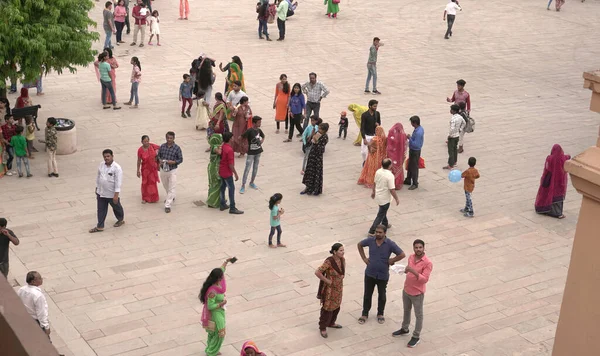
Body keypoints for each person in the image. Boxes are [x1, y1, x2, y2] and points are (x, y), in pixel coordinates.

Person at [357, 225, 405, 325]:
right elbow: (359, 245)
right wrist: (364, 258)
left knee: (382, 295)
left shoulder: (390, 244)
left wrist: (392, 260)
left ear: (385, 233)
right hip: (370, 273)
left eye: (380, 232)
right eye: (377, 232)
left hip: (382, 275)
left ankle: (380, 314)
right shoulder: (370, 240)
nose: (378, 234)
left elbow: (401, 254)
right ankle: (365, 314)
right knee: (367, 294)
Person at [392, 239, 433, 349]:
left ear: (424, 248)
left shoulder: (427, 263)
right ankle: (405, 328)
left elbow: (424, 279)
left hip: (417, 293)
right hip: (407, 289)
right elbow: (408, 270)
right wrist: (404, 270)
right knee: (406, 310)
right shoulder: (411, 257)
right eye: (416, 247)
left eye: (420, 247)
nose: (418, 249)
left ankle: (416, 336)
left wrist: (413, 271)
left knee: (418, 315)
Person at [200, 259, 234, 356]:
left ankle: (212, 348)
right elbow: (210, 306)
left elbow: (222, 269)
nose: (222, 278)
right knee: (220, 332)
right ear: (216, 278)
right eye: (220, 277)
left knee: (214, 332)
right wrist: (221, 303)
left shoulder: (219, 281)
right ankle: (211, 351)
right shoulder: (212, 291)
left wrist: (226, 261)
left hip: (221, 311)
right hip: (215, 313)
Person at [89, 149, 125, 233]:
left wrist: (116, 195)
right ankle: (100, 226)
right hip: (101, 193)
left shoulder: (117, 168)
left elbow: (118, 182)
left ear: (112, 156)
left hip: (111, 194)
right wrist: (97, 188)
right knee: (101, 209)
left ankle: (120, 219)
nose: (106, 158)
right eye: (105, 157)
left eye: (108, 156)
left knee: (116, 207)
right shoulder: (101, 165)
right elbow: (98, 177)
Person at [315, 243, 345, 338]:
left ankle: (331, 322)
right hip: (330, 289)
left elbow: (342, 271)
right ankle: (322, 327)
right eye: (340, 250)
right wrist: (327, 281)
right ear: (335, 252)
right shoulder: (329, 262)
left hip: (339, 288)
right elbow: (318, 272)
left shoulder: (342, 259)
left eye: (343, 250)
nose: (342, 252)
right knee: (327, 308)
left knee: (337, 306)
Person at [535, 144, 570, 219]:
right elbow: (567, 158)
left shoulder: (549, 158)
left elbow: (547, 168)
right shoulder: (563, 158)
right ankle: (558, 213)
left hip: (550, 181)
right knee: (558, 197)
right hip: (560, 182)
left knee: (548, 195)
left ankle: (546, 210)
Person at [369, 158, 399, 235]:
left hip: (378, 196)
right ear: (389, 166)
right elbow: (392, 189)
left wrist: (373, 191)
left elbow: (374, 182)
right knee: (380, 214)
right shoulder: (390, 176)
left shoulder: (378, 171)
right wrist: (397, 199)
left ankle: (385, 223)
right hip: (385, 198)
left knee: (383, 211)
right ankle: (372, 231)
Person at [158, 131, 183, 214]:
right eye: (168, 138)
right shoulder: (162, 146)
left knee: (172, 187)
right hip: (163, 169)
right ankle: (172, 196)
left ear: (173, 138)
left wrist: (174, 162)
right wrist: (160, 161)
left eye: (171, 138)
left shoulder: (177, 148)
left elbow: (180, 159)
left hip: (172, 170)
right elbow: (158, 156)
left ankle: (167, 205)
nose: (169, 139)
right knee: (166, 185)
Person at [219, 132, 244, 214]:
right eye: (232, 137)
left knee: (222, 187)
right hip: (227, 172)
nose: (233, 138)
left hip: (221, 170)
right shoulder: (229, 150)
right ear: (230, 139)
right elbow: (230, 165)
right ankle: (232, 207)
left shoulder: (223, 146)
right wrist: (235, 173)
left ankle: (222, 203)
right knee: (231, 189)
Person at [301, 122, 329, 195]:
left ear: (324, 130)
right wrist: (311, 137)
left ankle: (316, 189)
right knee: (309, 171)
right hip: (312, 155)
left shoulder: (325, 137)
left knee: (316, 172)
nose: (318, 130)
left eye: (320, 129)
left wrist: (316, 142)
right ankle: (307, 187)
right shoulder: (317, 133)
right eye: (318, 128)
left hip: (318, 157)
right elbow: (311, 142)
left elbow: (321, 149)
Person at [240, 116, 265, 194]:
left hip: (258, 151)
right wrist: (243, 145)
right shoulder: (250, 131)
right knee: (247, 168)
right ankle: (243, 185)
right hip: (251, 153)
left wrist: (261, 141)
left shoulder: (259, 130)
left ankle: (252, 182)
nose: (260, 124)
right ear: (254, 123)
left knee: (255, 167)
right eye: (258, 122)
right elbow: (241, 137)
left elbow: (263, 136)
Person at [136, 135, 160, 204]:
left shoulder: (153, 146)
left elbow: (161, 149)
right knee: (145, 183)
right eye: (144, 141)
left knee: (152, 183)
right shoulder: (140, 150)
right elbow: (138, 161)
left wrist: (157, 159)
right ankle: (145, 198)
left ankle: (153, 198)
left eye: (147, 141)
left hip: (153, 169)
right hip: (145, 169)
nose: (146, 143)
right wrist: (138, 170)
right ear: (141, 142)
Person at [404, 116, 423, 190]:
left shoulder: (418, 132)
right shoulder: (418, 129)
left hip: (415, 150)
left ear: (414, 123)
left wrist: (410, 138)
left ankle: (415, 183)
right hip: (413, 149)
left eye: (411, 122)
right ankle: (408, 179)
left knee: (414, 166)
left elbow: (416, 144)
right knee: (410, 165)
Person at [386, 122, 407, 189]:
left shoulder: (392, 134)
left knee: (392, 168)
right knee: (399, 168)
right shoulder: (403, 135)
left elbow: (389, 145)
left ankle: (392, 184)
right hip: (399, 157)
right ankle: (398, 183)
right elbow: (405, 145)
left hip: (393, 156)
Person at [444, 104, 463, 170]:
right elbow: (464, 123)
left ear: (454, 111)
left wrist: (450, 135)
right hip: (457, 135)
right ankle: (455, 161)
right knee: (455, 149)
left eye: (451, 109)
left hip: (452, 137)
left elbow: (452, 129)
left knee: (451, 151)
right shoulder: (460, 117)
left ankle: (450, 164)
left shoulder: (453, 119)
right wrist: (460, 130)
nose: (450, 111)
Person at [206, 134, 223, 209]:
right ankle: (213, 202)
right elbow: (219, 152)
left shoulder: (214, 146)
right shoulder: (215, 146)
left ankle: (215, 200)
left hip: (213, 167)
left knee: (214, 184)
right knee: (215, 185)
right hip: (214, 168)